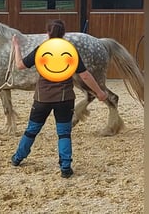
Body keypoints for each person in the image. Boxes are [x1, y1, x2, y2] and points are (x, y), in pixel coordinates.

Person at [11, 19, 108, 178]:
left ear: (48, 32)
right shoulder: (71, 50)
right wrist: (99, 92)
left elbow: (20, 65)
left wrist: (16, 46)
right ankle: (65, 166)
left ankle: (18, 158)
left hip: (42, 97)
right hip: (65, 98)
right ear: (63, 33)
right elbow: (85, 75)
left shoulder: (41, 49)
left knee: (31, 130)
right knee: (64, 133)